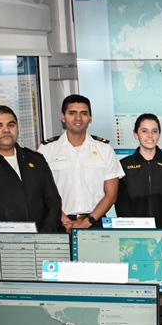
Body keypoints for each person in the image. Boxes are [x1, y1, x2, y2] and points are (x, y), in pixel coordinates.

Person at [38, 94, 124, 232]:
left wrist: (87, 222)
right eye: (72, 113)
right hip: (59, 223)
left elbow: (111, 195)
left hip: (95, 223)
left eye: (84, 113)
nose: (78, 118)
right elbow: (41, 192)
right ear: (63, 116)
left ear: (90, 117)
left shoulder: (104, 149)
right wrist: (65, 221)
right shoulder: (47, 149)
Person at [116, 113, 162, 228]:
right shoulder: (124, 165)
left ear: (159, 135)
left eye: (154, 131)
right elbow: (121, 202)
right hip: (134, 231)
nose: (150, 135)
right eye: (144, 131)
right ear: (136, 134)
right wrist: (133, 225)